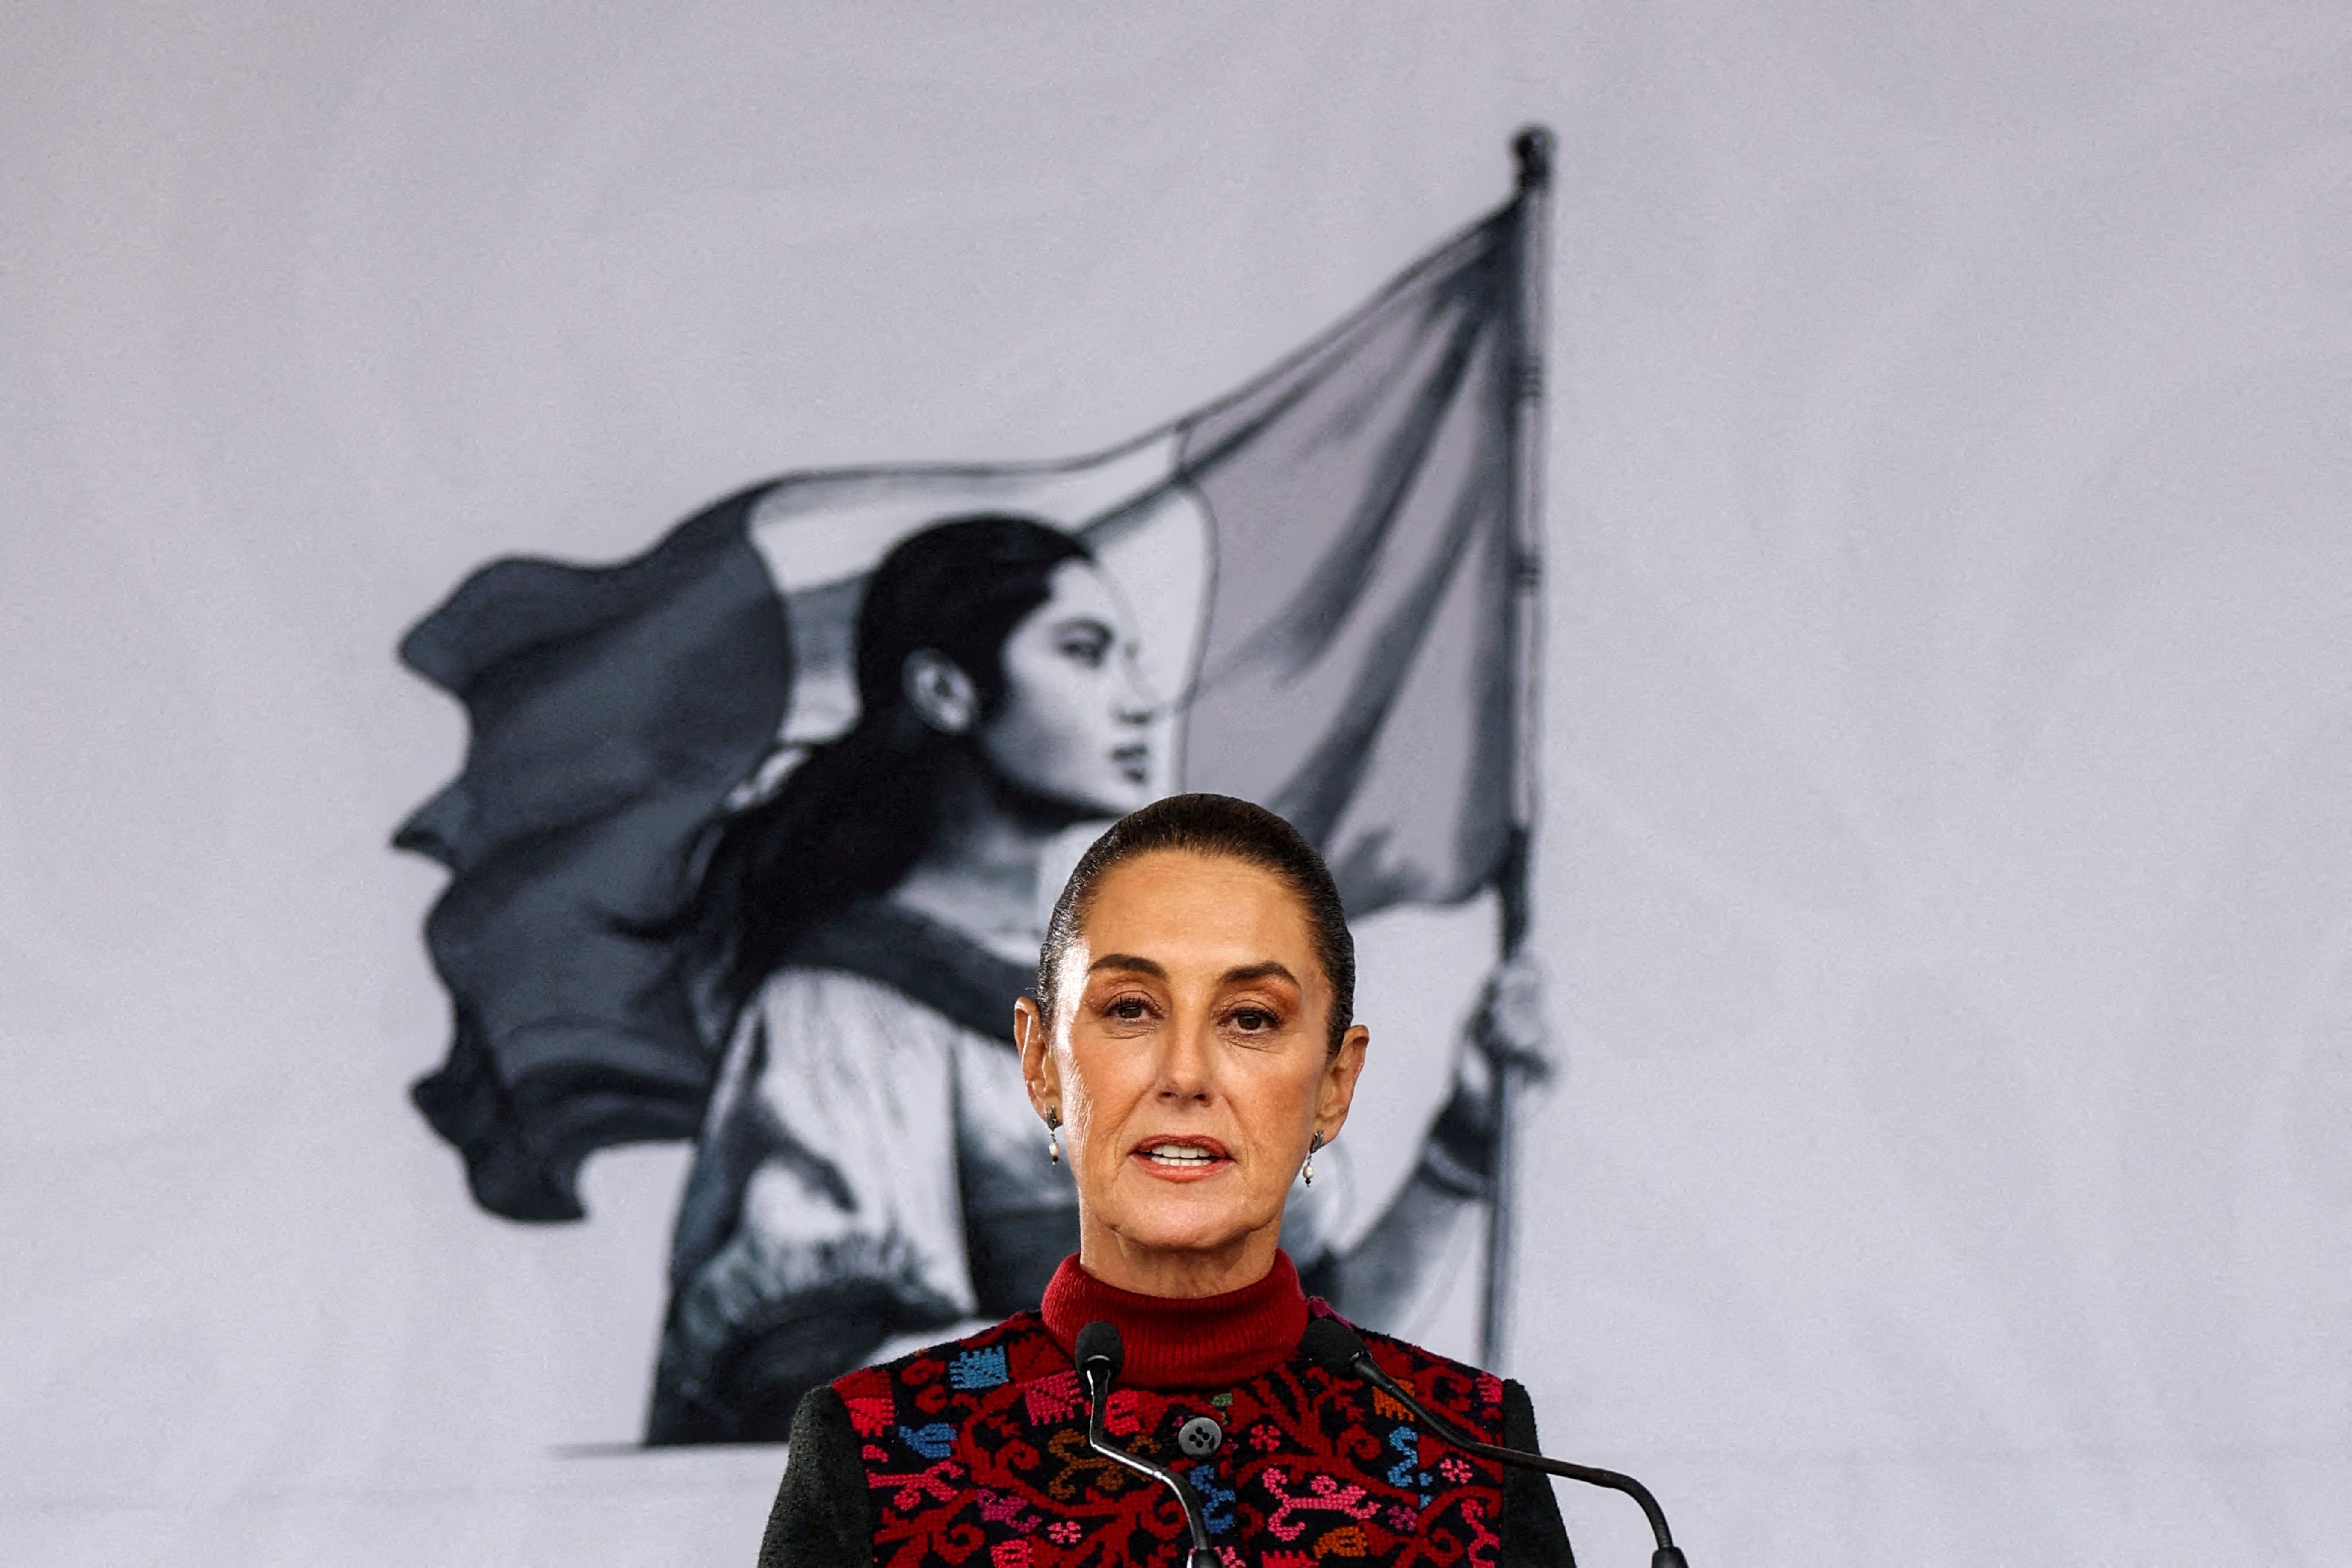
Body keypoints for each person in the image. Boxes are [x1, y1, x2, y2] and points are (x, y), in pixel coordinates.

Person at [648, 515, 1538, 1446]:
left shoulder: (1137, 995)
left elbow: (1317, 1378)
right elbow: (825, 1390)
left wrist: (1465, 1137)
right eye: (1083, 652)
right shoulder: (842, 1008)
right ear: (946, 690)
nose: (1136, 700)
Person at [756, 794, 1574, 1566]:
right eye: (1130, 1010)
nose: (1185, 1074)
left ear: (1334, 1084)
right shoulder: (875, 1453)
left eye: (1250, 1018)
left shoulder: (1475, 1454)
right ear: (1042, 1064)